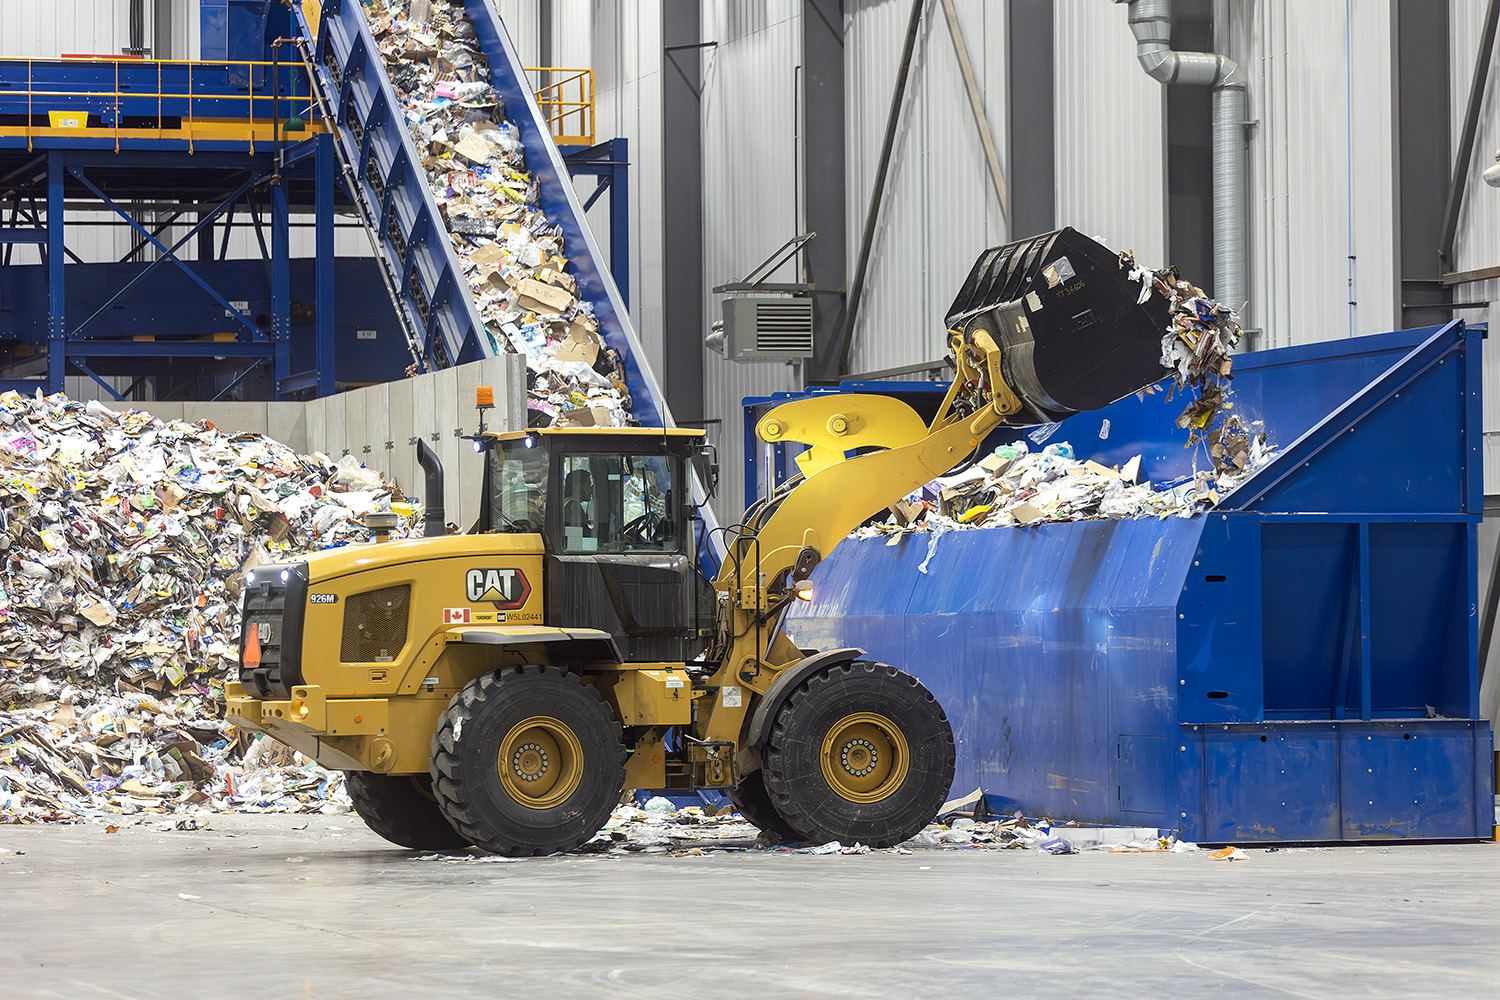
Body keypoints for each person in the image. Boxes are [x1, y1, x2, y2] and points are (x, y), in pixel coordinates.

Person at [562, 467, 593, 538]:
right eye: (588, 485)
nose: (591, 490)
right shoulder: (573, 506)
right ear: (578, 487)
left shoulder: (567, 502)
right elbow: (579, 534)